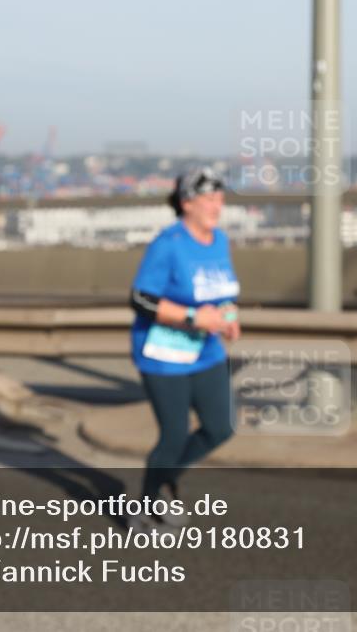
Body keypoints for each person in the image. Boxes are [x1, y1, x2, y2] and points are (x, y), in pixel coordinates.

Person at [128, 166, 240, 528]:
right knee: (174, 434)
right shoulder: (168, 244)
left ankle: (167, 477)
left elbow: (220, 291)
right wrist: (193, 317)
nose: (217, 205)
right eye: (209, 198)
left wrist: (227, 318)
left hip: (207, 352)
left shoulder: (219, 240)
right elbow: (141, 300)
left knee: (219, 427)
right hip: (164, 355)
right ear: (186, 202)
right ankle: (147, 503)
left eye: (220, 198)